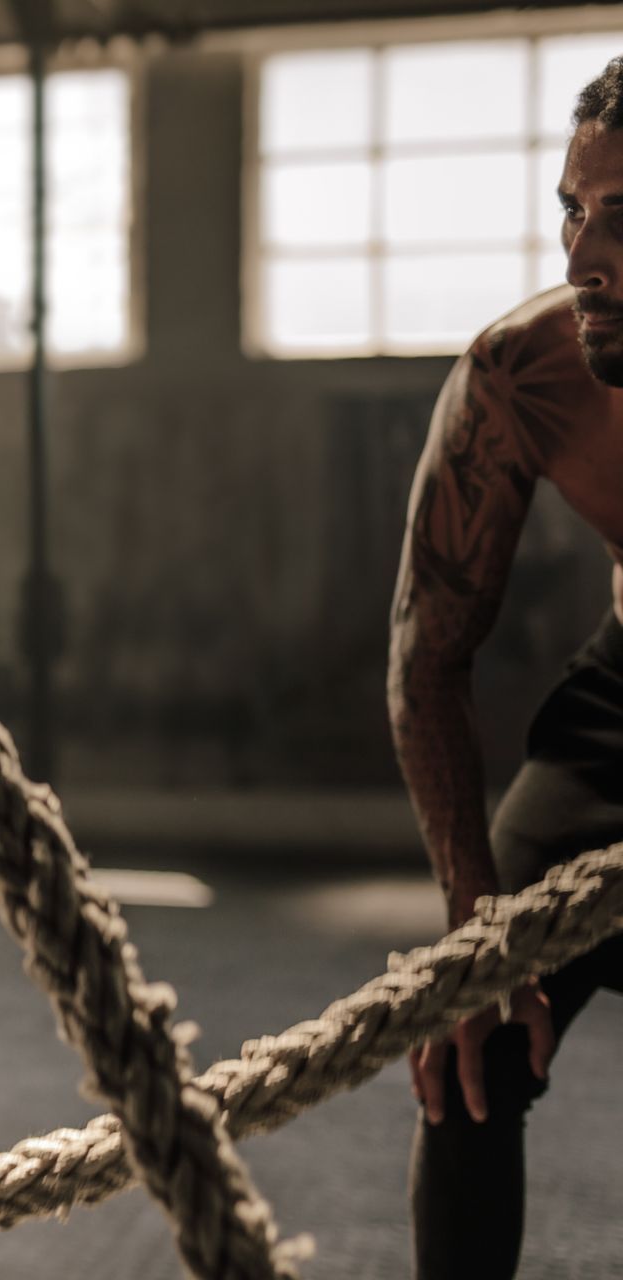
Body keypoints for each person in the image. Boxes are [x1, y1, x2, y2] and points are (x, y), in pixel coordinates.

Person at [389, 56, 623, 1280]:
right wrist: (477, 933)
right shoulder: (524, 373)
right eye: (572, 210)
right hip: (619, 709)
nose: (586, 254)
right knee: (464, 1051)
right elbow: (427, 662)